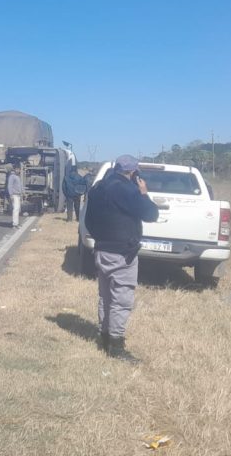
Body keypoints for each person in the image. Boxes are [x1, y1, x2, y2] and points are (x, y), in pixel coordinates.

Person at [83, 154, 159, 361]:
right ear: (133, 172)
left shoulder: (98, 188)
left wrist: (101, 238)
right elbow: (152, 215)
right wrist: (143, 194)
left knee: (105, 296)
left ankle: (104, 336)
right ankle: (116, 346)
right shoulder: (129, 190)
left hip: (101, 249)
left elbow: (88, 220)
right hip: (122, 252)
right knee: (121, 299)